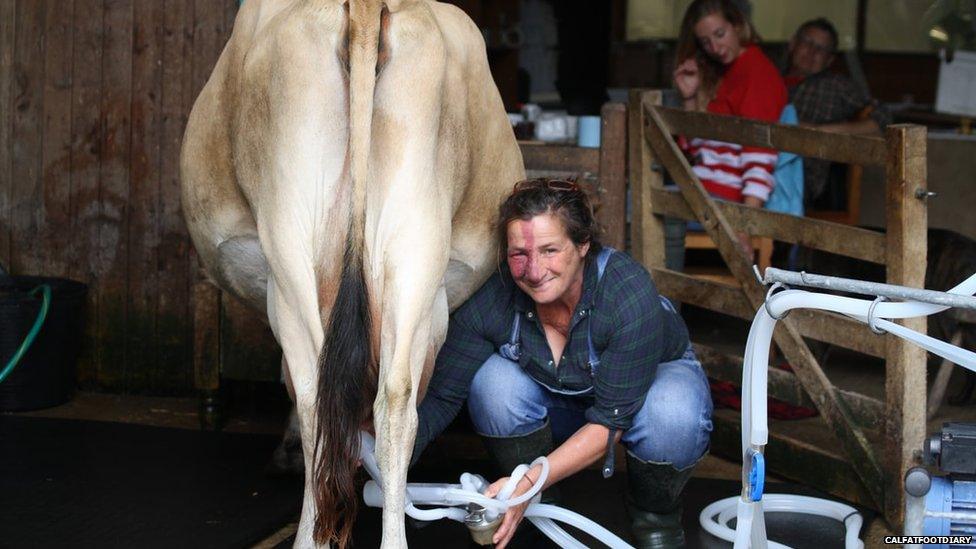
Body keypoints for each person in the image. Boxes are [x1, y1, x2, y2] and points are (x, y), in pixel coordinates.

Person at [412, 178, 713, 549]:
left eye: (550, 250)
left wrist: (527, 480)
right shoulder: (494, 297)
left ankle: (656, 519)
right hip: (560, 399)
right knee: (492, 382)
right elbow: (443, 396)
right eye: (519, 253)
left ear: (583, 244)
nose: (534, 271)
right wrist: (378, 450)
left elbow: (609, 421)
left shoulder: (626, 293)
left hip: (638, 401)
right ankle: (541, 511)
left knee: (674, 411)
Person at [672, 0, 787, 255]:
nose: (714, 47)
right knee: (634, 203)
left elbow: (760, 156)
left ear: (737, 25)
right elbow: (693, 148)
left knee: (638, 210)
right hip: (701, 192)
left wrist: (743, 228)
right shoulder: (724, 71)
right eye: (705, 42)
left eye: (720, 34)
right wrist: (690, 97)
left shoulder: (757, 75)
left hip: (726, 202)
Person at [783, 18, 891, 205]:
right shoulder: (770, 77)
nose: (812, 52)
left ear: (830, 60)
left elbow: (884, 120)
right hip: (758, 160)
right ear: (793, 43)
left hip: (799, 175)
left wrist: (820, 131)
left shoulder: (835, 85)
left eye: (821, 49)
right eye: (807, 42)